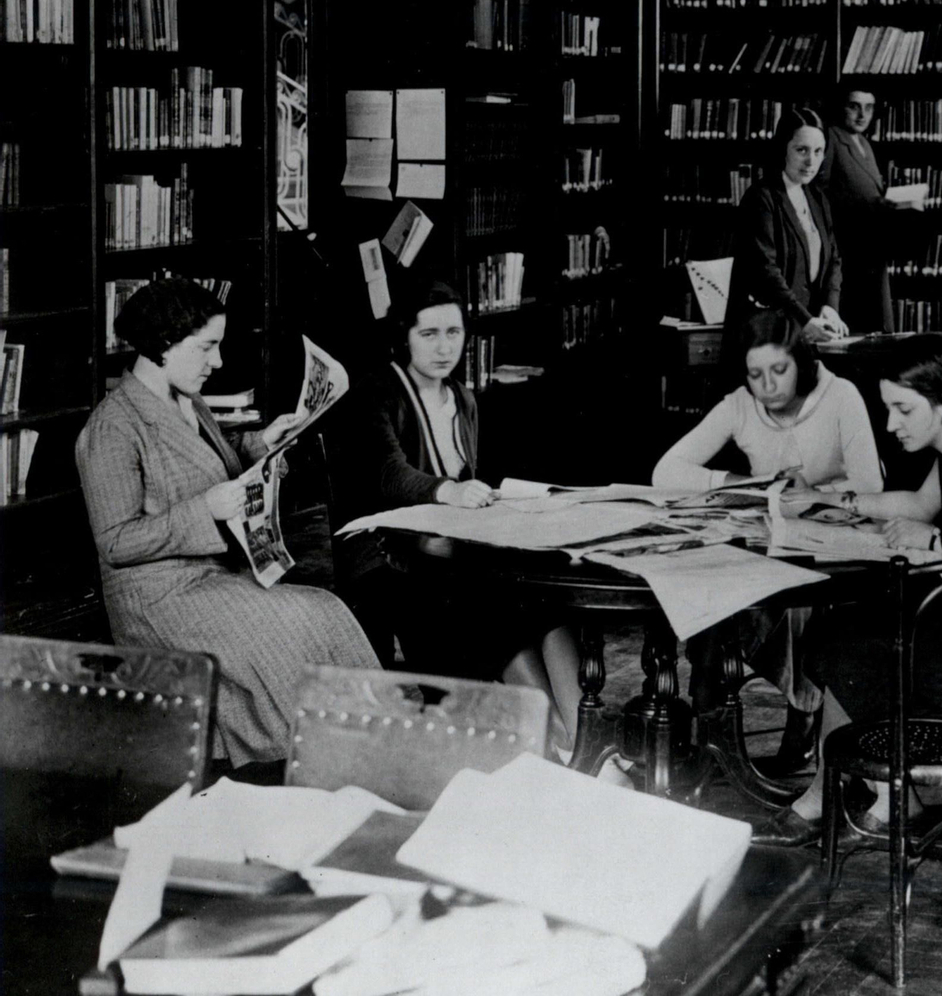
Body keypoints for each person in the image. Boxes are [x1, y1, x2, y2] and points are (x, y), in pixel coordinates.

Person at [753, 335, 942, 845]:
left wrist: (935, 540)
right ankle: (869, 795)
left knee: (844, 639)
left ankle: (872, 794)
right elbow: (917, 503)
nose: (891, 424)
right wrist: (832, 499)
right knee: (844, 630)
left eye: (903, 409)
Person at [75, 277, 380, 768]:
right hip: (158, 599)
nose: (217, 362)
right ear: (162, 344)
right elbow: (114, 542)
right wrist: (205, 511)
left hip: (208, 579)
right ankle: (309, 761)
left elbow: (204, 462)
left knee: (325, 610)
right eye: (207, 348)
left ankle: (368, 752)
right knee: (291, 627)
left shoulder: (188, 403)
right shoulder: (113, 427)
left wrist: (260, 444)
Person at [326, 280, 581, 751]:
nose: (445, 347)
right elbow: (390, 474)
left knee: (547, 599)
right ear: (404, 336)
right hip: (385, 555)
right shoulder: (375, 394)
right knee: (490, 610)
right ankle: (555, 739)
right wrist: (450, 490)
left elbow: (470, 479)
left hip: (448, 549)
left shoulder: (463, 399)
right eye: (429, 334)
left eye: (454, 333)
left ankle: (582, 737)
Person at [653, 310, 883, 773]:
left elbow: (872, 489)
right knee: (714, 600)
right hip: (771, 545)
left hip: (839, 550)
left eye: (779, 370)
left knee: (792, 606)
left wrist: (816, 496)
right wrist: (742, 480)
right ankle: (712, 734)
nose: (768, 385)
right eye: (755, 374)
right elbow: (666, 471)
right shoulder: (740, 405)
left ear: (802, 362)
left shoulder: (840, 397)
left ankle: (802, 719)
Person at [725, 106, 847, 350]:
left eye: (818, 151)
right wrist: (805, 319)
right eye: (801, 150)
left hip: (804, 333)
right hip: (765, 335)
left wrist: (830, 307)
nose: (811, 160)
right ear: (783, 149)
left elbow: (833, 258)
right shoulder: (761, 198)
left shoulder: (818, 198)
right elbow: (765, 272)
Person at [818, 87, 915, 334]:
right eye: (854, 106)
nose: (862, 115)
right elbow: (819, 194)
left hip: (872, 242)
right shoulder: (831, 138)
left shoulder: (864, 143)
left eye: (869, 108)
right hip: (848, 244)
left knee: (875, 318)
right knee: (856, 316)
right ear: (841, 107)